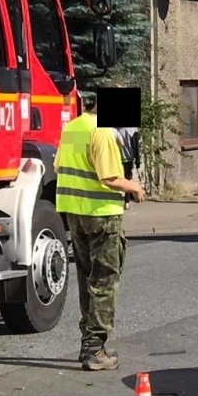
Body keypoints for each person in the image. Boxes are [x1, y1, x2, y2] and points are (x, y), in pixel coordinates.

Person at [56, 91, 145, 372]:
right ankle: (95, 349)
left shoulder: (72, 127)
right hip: (102, 216)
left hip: (74, 213)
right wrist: (134, 187)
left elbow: (58, 165)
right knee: (105, 280)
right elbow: (110, 178)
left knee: (86, 277)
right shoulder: (103, 133)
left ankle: (89, 342)